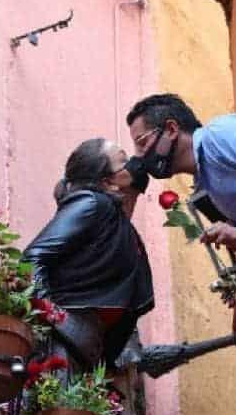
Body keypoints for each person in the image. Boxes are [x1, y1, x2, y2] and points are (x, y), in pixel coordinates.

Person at [23, 137, 153, 370]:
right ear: (108, 182)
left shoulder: (112, 216)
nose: (131, 167)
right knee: (60, 403)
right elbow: (31, 257)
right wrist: (51, 314)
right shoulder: (91, 202)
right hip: (65, 335)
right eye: (124, 163)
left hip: (87, 343)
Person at [126, 93, 236, 251]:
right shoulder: (204, 181)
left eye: (142, 142)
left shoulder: (218, 134)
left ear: (171, 130)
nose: (139, 156)